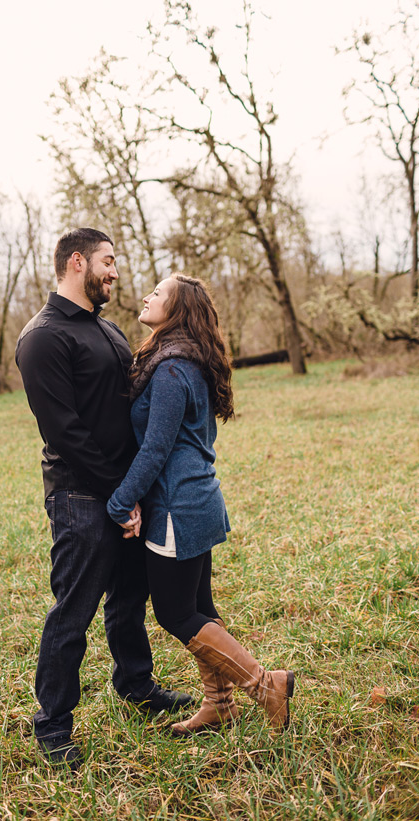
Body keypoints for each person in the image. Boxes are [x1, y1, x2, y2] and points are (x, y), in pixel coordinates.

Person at [15, 228, 192, 770]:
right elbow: (64, 430)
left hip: (126, 492)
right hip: (80, 494)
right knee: (75, 609)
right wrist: (120, 494)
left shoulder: (109, 331)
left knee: (128, 600)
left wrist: (135, 490)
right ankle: (52, 724)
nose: (115, 272)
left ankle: (137, 686)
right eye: (107, 262)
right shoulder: (43, 338)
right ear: (77, 262)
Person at [107, 274, 295, 734]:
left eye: (159, 293)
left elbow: (155, 450)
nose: (148, 295)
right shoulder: (178, 359)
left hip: (178, 506)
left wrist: (119, 501)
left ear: (177, 311)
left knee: (176, 613)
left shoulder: (172, 370)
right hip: (196, 500)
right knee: (201, 607)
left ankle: (265, 685)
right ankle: (219, 705)